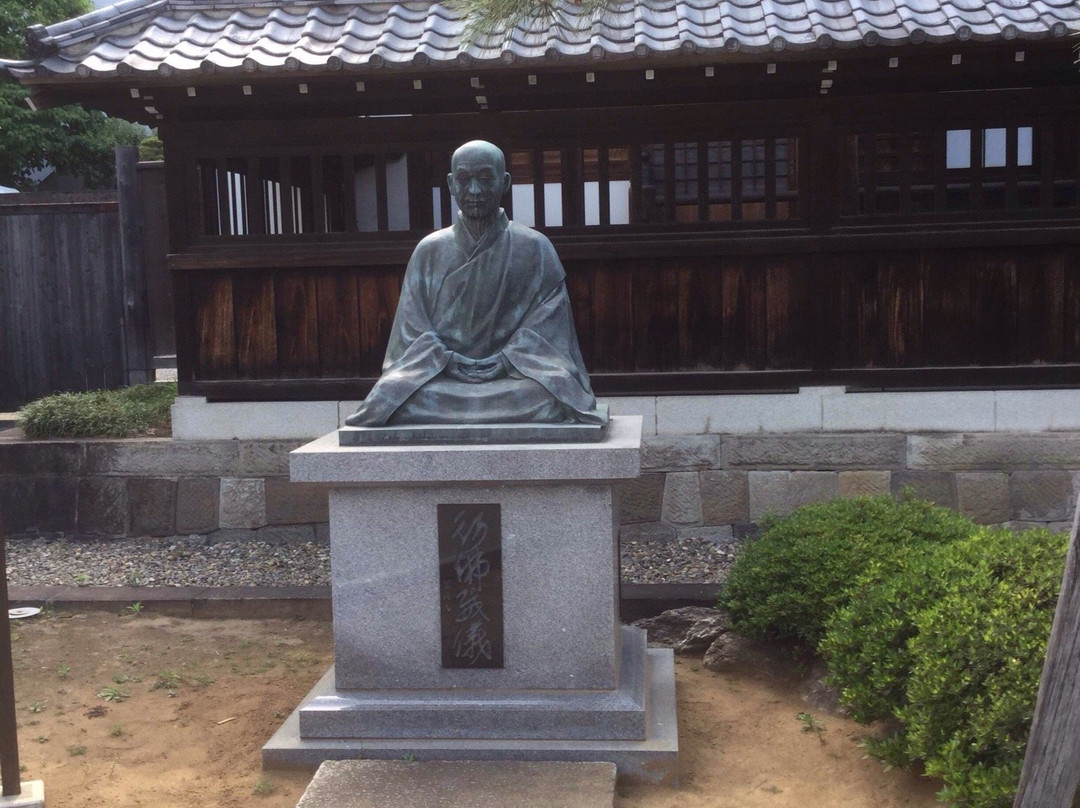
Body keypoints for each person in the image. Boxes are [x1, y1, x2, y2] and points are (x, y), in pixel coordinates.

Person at [345, 140, 605, 427]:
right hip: (441, 375)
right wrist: (446, 360)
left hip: (514, 376)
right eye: (464, 180)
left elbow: (550, 329)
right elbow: (412, 330)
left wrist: (507, 359)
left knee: (547, 395)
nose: (474, 191)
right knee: (397, 395)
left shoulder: (535, 248)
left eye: (484, 179)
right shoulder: (429, 250)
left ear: (504, 183)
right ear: (451, 184)